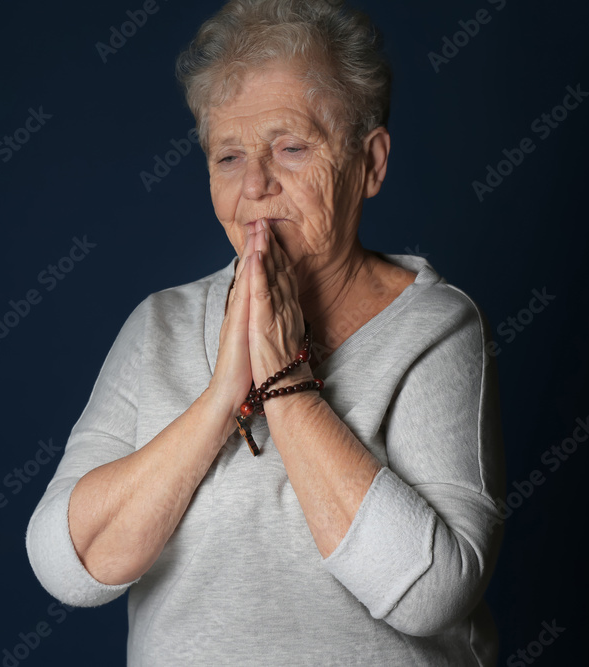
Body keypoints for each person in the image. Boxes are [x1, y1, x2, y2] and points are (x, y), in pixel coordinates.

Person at [26, 0, 506, 664]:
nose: (255, 183)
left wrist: (286, 384)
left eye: (291, 146)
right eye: (228, 156)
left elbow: (431, 591)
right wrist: (222, 397)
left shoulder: (436, 327)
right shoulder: (157, 326)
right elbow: (68, 563)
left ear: (370, 163)